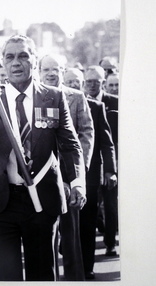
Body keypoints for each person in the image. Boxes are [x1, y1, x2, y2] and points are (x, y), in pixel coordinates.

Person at [0, 35, 86, 281]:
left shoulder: (52, 96)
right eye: (9, 57)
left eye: (23, 56)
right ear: (3, 62)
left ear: (34, 60)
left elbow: (70, 144)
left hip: (42, 201)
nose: (16, 63)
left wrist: (77, 182)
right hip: (0, 201)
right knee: (5, 275)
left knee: (41, 273)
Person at [39, 58, 94, 281]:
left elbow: (86, 135)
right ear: (39, 72)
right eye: (46, 69)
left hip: (71, 177)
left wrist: (77, 175)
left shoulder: (76, 97)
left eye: (56, 69)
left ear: (63, 71)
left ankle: (75, 279)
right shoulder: (35, 97)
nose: (51, 73)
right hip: (44, 177)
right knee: (46, 237)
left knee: (71, 237)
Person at [64, 68, 118, 279]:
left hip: (89, 174)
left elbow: (106, 142)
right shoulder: (50, 102)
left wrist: (110, 170)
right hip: (60, 175)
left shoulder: (96, 107)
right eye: (69, 81)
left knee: (87, 223)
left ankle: (87, 266)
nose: (74, 85)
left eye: (77, 82)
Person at [84, 65, 119, 257]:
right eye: (88, 81)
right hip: (89, 166)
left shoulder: (114, 102)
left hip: (108, 162)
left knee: (111, 206)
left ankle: (110, 242)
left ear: (102, 83)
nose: (91, 85)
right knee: (91, 208)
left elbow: (111, 140)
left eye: (95, 82)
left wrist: (111, 168)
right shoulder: (79, 101)